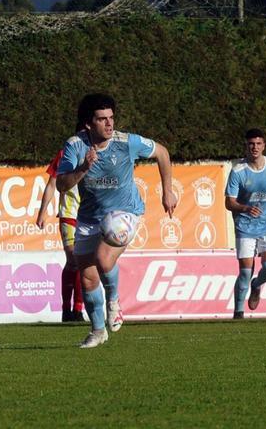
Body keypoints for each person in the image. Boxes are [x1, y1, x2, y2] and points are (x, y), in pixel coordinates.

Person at [56, 93, 177, 348]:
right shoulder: (75, 146)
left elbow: (163, 153)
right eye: (102, 119)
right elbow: (61, 185)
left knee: (104, 256)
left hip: (126, 212)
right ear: (89, 124)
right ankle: (98, 331)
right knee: (87, 276)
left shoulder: (126, 142)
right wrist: (83, 169)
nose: (110, 124)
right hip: (89, 218)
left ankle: (114, 300)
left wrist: (168, 190)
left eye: (111, 118)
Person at [224, 128, 266, 319]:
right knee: (244, 273)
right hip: (245, 226)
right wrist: (245, 208)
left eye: (258, 144)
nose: (255, 147)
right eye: (251, 144)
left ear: (264, 145)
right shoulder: (238, 171)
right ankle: (238, 313)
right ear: (246, 146)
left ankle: (257, 286)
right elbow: (229, 202)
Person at [36, 134, 85, 322]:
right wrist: (42, 211)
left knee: (83, 261)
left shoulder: (97, 153)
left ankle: (78, 309)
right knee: (73, 258)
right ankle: (66, 309)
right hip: (69, 214)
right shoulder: (65, 153)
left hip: (89, 215)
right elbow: (51, 184)